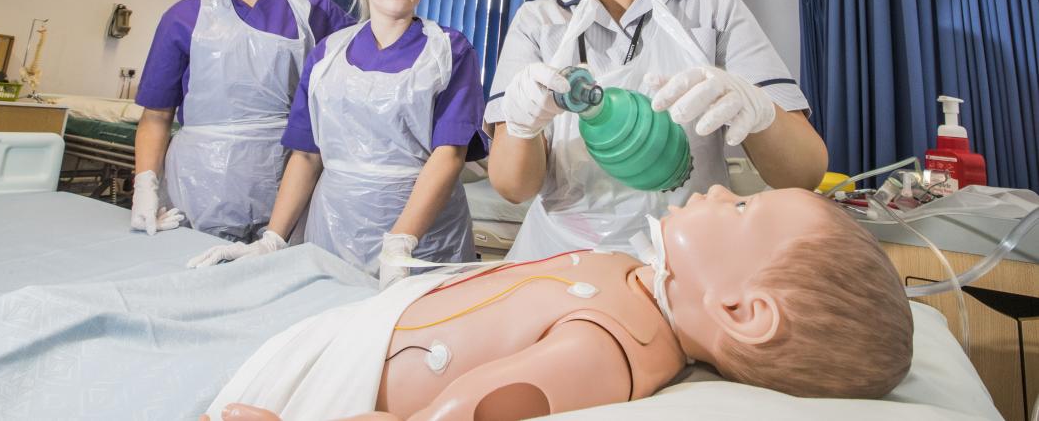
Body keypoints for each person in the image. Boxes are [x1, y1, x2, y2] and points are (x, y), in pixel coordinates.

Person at [201, 185, 914, 420]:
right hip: (381, 314)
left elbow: (458, 413)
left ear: (741, 311)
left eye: (743, 208)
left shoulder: (610, 348)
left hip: (349, 369)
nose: (722, 189)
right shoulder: (642, 280)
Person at [484, 0, 829, 260]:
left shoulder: (714, 12)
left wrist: (758, 112)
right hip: (565, 264)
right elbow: (514, 188)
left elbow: (804, 174)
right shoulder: (537, 23)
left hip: (689, 264)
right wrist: (521, 127)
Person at [187, 0, 487, 288]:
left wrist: (400, 242)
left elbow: (449, 155)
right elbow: (307, 155)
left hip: (423, 241)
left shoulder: (450, 50)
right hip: (334, 229)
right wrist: (273, 239)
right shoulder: (328, 53)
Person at [130, 0, 355, 242]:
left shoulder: (313, 8)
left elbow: (368, 61)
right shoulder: (184, 18)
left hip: (288, 179)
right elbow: (156, 117)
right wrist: (144, 184)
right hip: (200, 185)